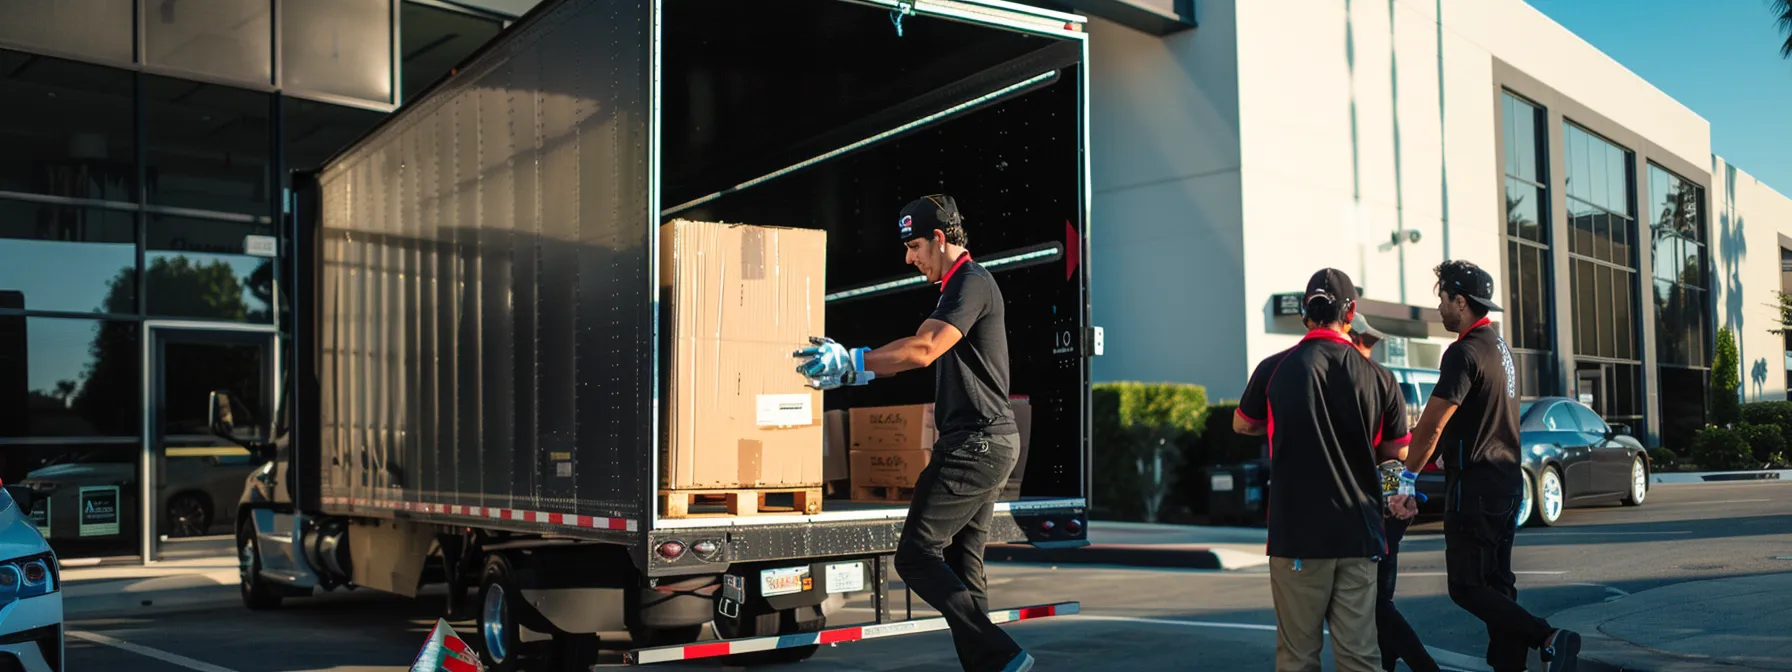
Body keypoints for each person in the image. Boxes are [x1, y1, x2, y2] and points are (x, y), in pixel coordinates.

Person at [792, 195, 1033, 672]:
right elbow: (919, 353)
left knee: (916, 555)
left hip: (975, 445)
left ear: (940, 239)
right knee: (966, 568)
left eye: (915, 246)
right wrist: (855, 373)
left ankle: (1002, 654)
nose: (909, 258)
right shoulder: (957, 287)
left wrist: (854, 360)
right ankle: (992, 667)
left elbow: (923, 349)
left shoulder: (970, 282)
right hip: (988, 441)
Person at [1399, 260, 1580, 672]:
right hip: (1505, 483)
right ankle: (1509, 666)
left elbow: (1433, 421)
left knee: (1465, 587)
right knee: (1499, 584)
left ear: (1460, 302)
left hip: (1475, 488)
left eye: (1442, 299)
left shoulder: (1462, 352)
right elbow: (1476, 415)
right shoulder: (1500, 349)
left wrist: (1408, 477)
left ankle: (1548, 636)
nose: (1439, 309)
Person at [1234, 268, 1415, 672]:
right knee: (1360, 656)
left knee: (1299, 657)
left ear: (1305, 314)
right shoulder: (1380, 378)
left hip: (1297, 536)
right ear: (1350, 313)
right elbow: (1396, 453)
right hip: (1359, 533)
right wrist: (1391, 490)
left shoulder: (1275, 368)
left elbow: (1242, 423)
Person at [1348, 314, 1441, 672]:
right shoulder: (1381, 380)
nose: (1367, 349)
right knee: (1379, 599)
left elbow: (1398, 452)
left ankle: (1424, 666)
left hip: (1380, 498)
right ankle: (1387, 664)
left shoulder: (1369, 383)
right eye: (1366, 342)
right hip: (1387, 495)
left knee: (1375, 604)